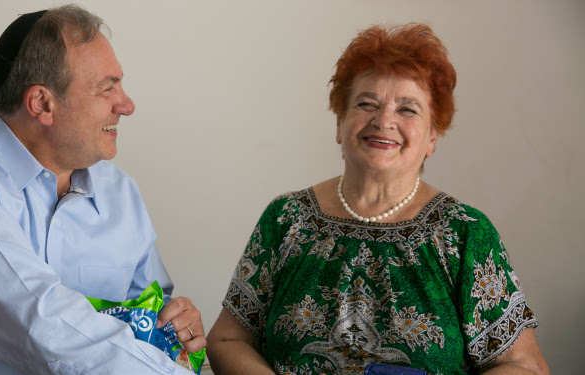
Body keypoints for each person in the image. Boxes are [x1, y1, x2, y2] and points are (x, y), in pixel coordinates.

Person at [0, 5, 205, 374]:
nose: (126, 105)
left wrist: (177, 326)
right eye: (107, 88)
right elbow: (36, 319)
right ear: (42, 103)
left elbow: (149, 313)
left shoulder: (119, 192)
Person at [206, 23, 549, 375]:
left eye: (408, 109)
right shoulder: (286, 218)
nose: (384, 120)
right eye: (367, 103)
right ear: (340, 124)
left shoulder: (465, 233)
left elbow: (524, 366)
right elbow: (228, 341)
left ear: (432, 137)